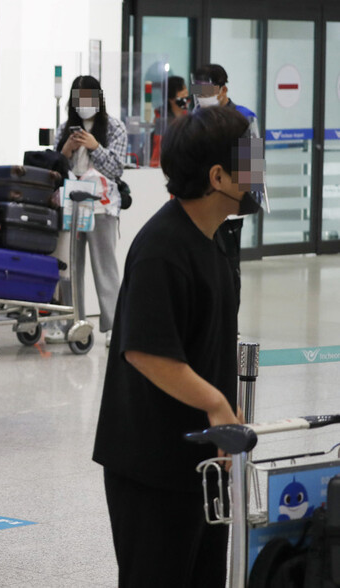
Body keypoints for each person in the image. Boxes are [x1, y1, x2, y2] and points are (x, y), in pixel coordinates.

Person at [92, 106, 263, 586]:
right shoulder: (162, 249)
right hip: (153, 465)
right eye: (249, 160)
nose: (258, 172)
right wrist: (216, 404)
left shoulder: (214, 239)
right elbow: (145, 351)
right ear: (218, 176)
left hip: (201, 460)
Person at [55, 75, 128, 343]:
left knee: (105, 268)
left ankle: (113, 327)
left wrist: (95, 147)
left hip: (102, 208)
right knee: (68, 269)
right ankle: (72, 323)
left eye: (90, 97)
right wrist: (66, 149)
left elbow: (117, 170)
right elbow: (55, 169)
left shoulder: (114, 128)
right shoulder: (65, 128)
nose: (85, 103)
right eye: (80, 98)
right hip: (70, 208)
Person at [192, 63, 261, 304]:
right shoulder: (194, 117)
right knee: (200, 264)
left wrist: (244, 200)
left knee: (228, 265)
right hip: (200, 203)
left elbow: (252, 168)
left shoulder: (243, 117)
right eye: (198, 90)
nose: (202, 96)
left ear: (223, 90)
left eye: (207, 90)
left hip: (229, 205)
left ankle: (229, 323)